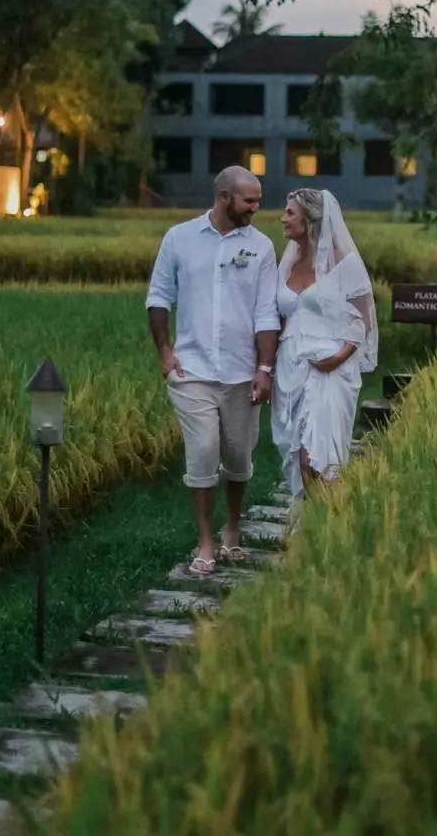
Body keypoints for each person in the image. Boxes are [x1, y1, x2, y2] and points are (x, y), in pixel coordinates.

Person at [146, 166, 280, 577]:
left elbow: (265, 313)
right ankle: (205, 541)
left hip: (242, 374)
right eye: (250, 201)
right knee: (203, 450)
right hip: (193, 371)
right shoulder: (179, 238)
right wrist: (166, 352)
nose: (257, 208)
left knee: (238, 456)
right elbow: (158, 297)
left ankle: (232, 529)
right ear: (224, 197)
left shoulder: (261, 247)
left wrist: (264, 368)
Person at [273, 187, 377, 501]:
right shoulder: (288, 264)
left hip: (330, 370)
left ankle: (328, 522)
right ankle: (313, 529)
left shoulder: (344, 263)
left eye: (290, 213)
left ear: (310, 220)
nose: (283, 219)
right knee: (297, 455)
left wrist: (339, 356)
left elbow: (364, 321)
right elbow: (281, 317)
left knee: (315, 457)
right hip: (291, 368)